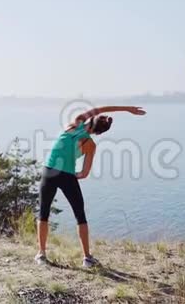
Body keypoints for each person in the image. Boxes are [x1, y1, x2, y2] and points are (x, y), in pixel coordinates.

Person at [35, 106, 146, 268]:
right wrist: (71, 175)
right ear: (99, 133)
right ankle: (87, 258)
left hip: (49, 172)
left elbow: (99, 109)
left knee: (43, 213)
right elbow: (84, 173)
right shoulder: (91, 145)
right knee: (80, 216)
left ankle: (41, 255)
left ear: (91, 119)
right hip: (68, 176)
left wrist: (127, 108)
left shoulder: (74, 124)